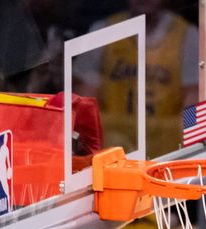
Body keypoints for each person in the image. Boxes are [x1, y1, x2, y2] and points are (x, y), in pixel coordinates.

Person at [74, 0, 198, 157]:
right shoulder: (103, 30)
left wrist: (192, 149)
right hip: (112, 145)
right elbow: (86, 97)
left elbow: (193, 99)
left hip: (168, 148)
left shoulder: (188, 35)